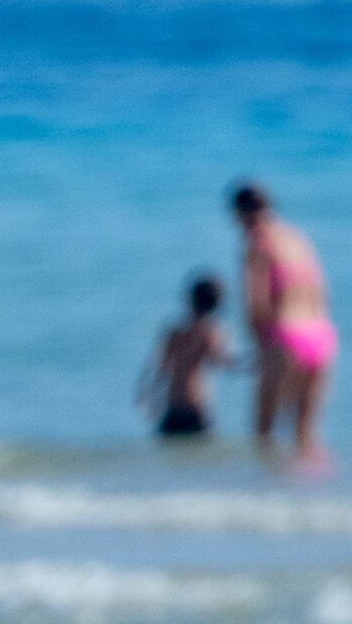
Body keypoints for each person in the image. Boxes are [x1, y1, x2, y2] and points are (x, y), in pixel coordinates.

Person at [229, 182, 337, 476]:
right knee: (308, 435)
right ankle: (314, 501)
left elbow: (256, 301)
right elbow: (322, 291)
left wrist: (261, 345)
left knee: (264, 434)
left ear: (240, 214)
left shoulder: (257, 242)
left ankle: (269, 502)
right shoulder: (298, 238)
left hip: (286, 335)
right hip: (321, 334)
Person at [139, 274, 231, 443]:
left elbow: (161, 367)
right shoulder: (211, 332)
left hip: (173, 406)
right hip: (197, 406)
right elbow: (221, 363)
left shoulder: (175, 331)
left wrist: (148, 393)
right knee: (201, 460)